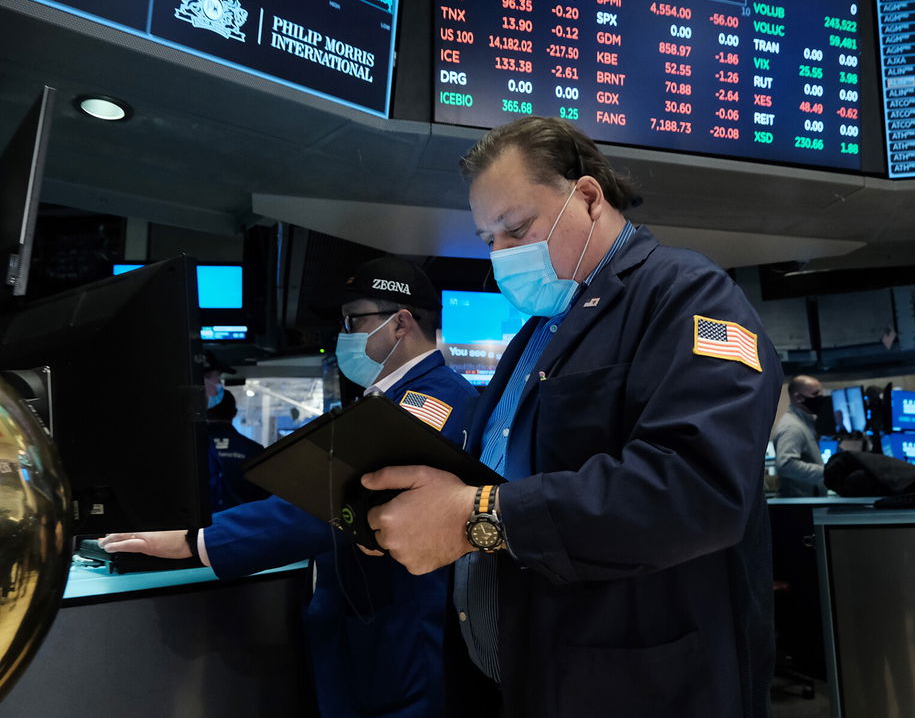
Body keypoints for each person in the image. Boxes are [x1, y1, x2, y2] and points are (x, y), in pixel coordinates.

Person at [358, 117, 784, 717]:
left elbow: (697, 488)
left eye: (517, 228)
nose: (503, 256)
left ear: (586, 196)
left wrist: (473, 517)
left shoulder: (688, 295)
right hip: (525, 660)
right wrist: (418, 510)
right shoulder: (538, 333)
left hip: (633, 676)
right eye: (489, 240)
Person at [101, 257, 478, 718]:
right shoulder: (380, 402)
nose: (343, 335)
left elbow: (333, 500)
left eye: (352, 320)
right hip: (358, 621)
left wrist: (196, 541)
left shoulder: (436, 399)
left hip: (399, 630)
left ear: (401, 323)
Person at [206, 389, 269, 510]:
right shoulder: (254, 450)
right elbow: (263, 498)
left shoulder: (188, 450)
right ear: (234, 413)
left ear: (205, 412)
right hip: (241, 525)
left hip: (195, 527)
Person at [772, 374, 828, 497]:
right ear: (798, 397)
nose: (820, 398)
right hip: (799, 506)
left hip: (807, 501)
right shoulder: (792, 427)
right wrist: (827, 472)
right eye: (815, 394)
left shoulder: (805, 422)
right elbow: (786, 464)